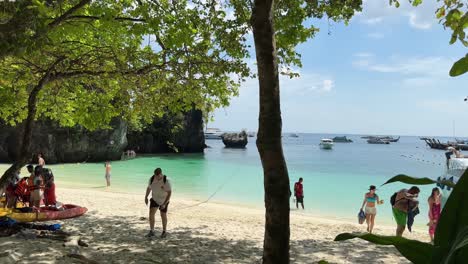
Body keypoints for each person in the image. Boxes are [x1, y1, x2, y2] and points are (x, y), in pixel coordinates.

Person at [144, 168, 172, 238]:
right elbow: (149, 188)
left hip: (164, 200)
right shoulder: (152, 179)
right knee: (151, 214)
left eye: (158, 175)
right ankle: (152, 231)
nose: (157, 177)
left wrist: (164, 204)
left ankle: (164, 231)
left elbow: (169, 193)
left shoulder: (166, 180)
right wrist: (146, 197)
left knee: (163, 215)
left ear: (161, 174)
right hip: (154, 199)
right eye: (155, 175)